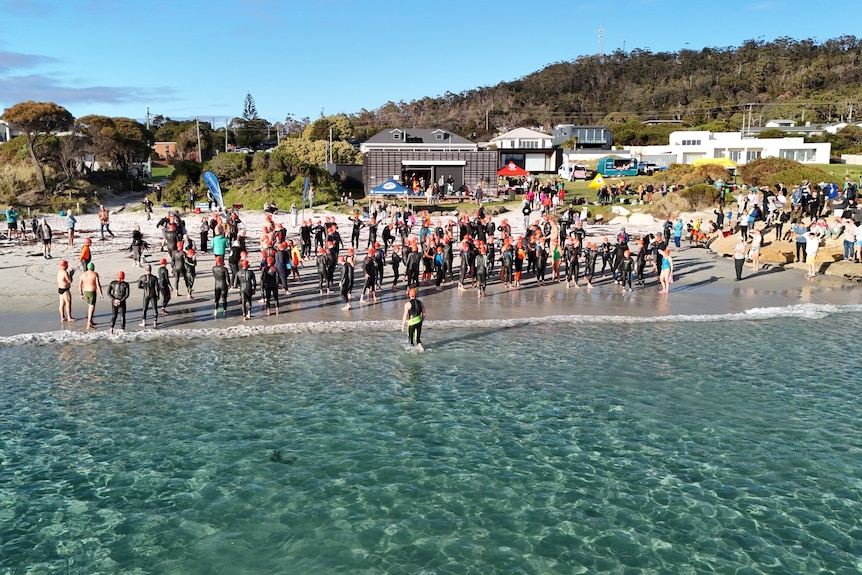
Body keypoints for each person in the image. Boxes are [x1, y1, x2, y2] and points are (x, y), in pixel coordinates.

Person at [78, 262, 104, 329]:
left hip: (86, 291)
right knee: (92, 307)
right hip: (92, 291)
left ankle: (91, 321)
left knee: (89, 306)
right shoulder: (94, 274)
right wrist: (101, 294)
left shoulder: (83, 274)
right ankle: (89, 324)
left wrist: (81, 294)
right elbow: (98, 285)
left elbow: (80, 285)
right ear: (93, 268)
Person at [401, 287, 426, 352]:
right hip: (419, 321)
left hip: (411, 323)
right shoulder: (421, 303)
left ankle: (411, 351)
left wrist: (403, 326)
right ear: (415, 294)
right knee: (417, 338)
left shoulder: (407, 304)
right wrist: (421, 321)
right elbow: (424, 314)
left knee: (410, 339)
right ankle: (421, 348)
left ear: (409, 295)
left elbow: (405, 315)